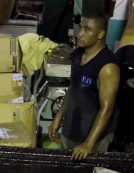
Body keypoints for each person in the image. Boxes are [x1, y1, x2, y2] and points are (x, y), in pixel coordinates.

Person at [49, 14, 120, 161]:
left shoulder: (107, 67)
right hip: (71, 130)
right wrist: (58, 117)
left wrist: (88, 144)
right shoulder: (78, 55)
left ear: (100, 34)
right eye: (80, 28)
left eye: (87, 30)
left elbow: (107, 108)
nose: (79, 34)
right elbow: (73, 89)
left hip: (92, 138)